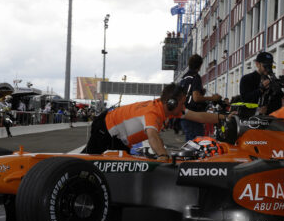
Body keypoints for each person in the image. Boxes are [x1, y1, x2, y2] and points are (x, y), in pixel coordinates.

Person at [83, 83, 230, 159]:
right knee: (87, 162)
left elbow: (199, 116)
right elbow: (153, 136)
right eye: (182, 103)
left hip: (119, 138)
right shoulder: (153, 112)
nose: (184, 106)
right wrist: (163, 156)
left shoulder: (169, 109)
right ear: (171, 103)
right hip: (105, 129)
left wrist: (224, 118)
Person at [180, 54, 222, 141]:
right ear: (200, 65)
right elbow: (196, 98)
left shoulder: (184, 77)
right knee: (198, 141)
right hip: (194, 114)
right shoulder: (196, 77)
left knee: (189, 140)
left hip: (184, 112)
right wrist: (213, 98)